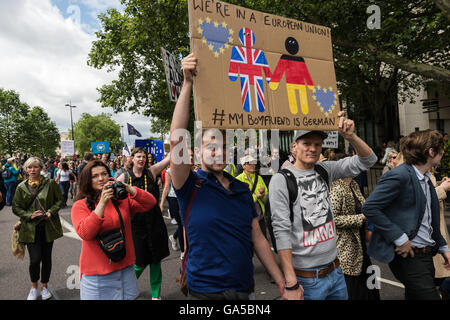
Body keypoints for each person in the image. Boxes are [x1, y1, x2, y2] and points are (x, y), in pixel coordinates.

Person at [169, 53, 288, 300]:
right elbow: (176, 138)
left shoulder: (241, 189)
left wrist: (282, 283)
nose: (219, 152)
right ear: (198, 151)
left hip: (245, 290)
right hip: (204, 293)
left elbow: (258, 239)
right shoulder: (189, 184)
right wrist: (187, 84)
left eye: (224, 146)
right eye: (211, 146)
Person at [269, 123, 378, 300]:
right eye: (307, 143)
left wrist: (351, 137)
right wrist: (291, 283)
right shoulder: (281, 180)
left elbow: (369, 160)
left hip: (336, 272)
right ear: (294, 146)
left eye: (317, 145)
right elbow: (281, 231)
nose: (313, 148)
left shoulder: (324, 170)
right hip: (307, 279)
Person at [362, 129, 450, 300]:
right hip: (408, 257)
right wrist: (400, 238)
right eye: (441, 148)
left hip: (425, 256)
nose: (444, 152)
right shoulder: (399, 175)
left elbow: (430, 221)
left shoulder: (425, 177)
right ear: (431, 152)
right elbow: (370, 207)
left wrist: (444, 248)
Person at [71, 160, 156, 300]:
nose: (101, 178)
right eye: (95, 176)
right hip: (97, 275)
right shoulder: (80, 205)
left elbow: (150, 203)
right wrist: (102, 202)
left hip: (125, 269)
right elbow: (86, 233)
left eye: (104, 174)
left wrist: (128, 188)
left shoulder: (121, 200)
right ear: (87, 180)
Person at [116, 148, 170, 300]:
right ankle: (125, 291)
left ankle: (155, 295)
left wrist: (177, 141)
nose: (141, 159)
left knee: (156, 261)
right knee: (139, 262)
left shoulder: (152, 172)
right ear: (132, 158)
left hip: (155, 223)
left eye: (144, 157)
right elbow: (110, 192)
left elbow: (169, 159)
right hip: (135, 226)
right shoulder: (124, 176)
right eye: (138, 156)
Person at [12, 157, 64, 300]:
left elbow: (59, 200)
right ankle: (34, 287)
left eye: (35, 167)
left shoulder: (50, 183)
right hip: (29, 228)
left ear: (41, 168)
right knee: (35, 260)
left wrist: (50, 212)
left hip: (47, 227)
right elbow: (16, 208)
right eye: (30, 167)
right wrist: (29, 215)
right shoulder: (21, 187)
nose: (33, 170)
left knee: (47, 259)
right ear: (26, 169)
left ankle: (44, 287)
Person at [329, 155, 380, 300]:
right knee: (352, 289)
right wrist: (361, 218)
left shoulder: (354, 184)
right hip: (344, 247)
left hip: (359, 245)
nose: (357, 167)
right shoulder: (335, 186)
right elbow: (332, 219)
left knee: (369, 288)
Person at [236, 154, 269, 239]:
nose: (253, 165)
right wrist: (255, 197)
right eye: (250, 163)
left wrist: (262, 195)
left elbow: (266, 197)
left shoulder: (259, 178)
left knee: (263, 241)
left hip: (260, 217)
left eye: (254, 162)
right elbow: (239, 199)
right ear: (244, 166)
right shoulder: (238, 180)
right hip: (246, 219)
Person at [429, 169, 450, 295]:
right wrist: (442, 188)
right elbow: (424, 199)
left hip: (438, 228)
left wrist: (438, 184)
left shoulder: (427, 172)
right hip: (431, 230)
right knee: (434, 275)